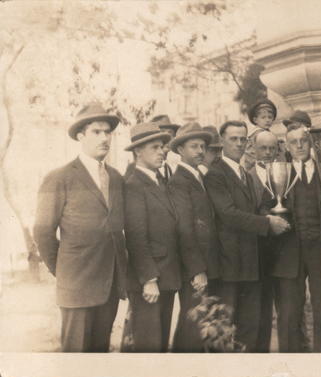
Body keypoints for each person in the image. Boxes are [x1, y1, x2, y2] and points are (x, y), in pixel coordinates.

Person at [33, 103, 128, 352]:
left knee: (100, 359)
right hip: (76, 289)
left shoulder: (117, 178)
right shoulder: (59, 178)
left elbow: (118, 230)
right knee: (75, 362)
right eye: (97, 132)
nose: (105, 138)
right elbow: (43, 233)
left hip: (109, 287)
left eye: (108, 132)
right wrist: (65, 272)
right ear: (80, 136)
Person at [204, 120, 290, 352]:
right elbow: (228, 214)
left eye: (243, 139)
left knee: (249, 326)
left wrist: (270, 214)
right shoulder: (215, 174)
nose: (239, 144)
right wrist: (267, 223)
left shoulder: (244, 171)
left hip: (251, 262)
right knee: (225, 330)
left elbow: (258, 204)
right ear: (221, 141)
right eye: (233, 139)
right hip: (229, 264)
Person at [269, 122, 321, 353]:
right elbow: (267, 207)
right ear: (287, 146)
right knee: (289, 313)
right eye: (294, 142)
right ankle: (291, 363)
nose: (300, 145)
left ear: (310, 142)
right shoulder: (278, 172)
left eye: (303, 140)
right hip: (289, 252)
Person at [123, 122, 189, 352]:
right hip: (150, 281)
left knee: (159, 344)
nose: (162, 151)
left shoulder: (159, 180)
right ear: (138, 151)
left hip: (167, 275)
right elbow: (135, 236)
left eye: (162, 146)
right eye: (155, 147)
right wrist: (149, 279)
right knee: (148, 346)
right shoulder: (133, 185)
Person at [168, 122, 221, 352]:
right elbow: (185, 229)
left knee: (200, 322)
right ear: (180, 150)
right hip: (194, 267)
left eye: (202, 146)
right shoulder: (179, 181)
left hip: (206, 262)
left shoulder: (198, 175)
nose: (200, 151)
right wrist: (197, 269)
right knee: (192, 322)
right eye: (194, 146)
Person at [247, 130, 280, 352]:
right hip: (255, 249)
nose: (267, 153)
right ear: (254, 150)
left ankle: (265, 352)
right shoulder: (246, 175)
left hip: (281, 250)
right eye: (263, 148)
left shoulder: (284, 173)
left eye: (272, 148)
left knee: (271, 306)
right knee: (254, 307)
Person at [241, 99, 277, 171]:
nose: (267, 120)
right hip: (254, 167)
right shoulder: (257, 134)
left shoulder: (269, 133)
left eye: (270, 117)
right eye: (263, 117)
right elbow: (251, 156)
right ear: (255, 120)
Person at [150, 114, 180, 183]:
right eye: (162, 132)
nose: (168, 137)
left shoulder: (169, 168)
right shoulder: (144, 167)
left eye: (170, 132)